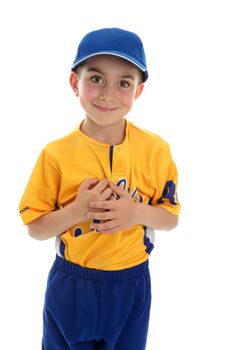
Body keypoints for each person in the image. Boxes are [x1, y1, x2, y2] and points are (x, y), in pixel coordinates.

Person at [19, 27, 180, 350]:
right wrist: (77, 210)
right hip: (73, 284)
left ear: (138, 91)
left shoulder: (155, 150)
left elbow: (170, 218)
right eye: (96, 78)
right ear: (74, 82)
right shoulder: (56, 154)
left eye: (123, 82)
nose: (108, 93)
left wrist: (136, 212)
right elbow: (35, 229)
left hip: (131, 283)